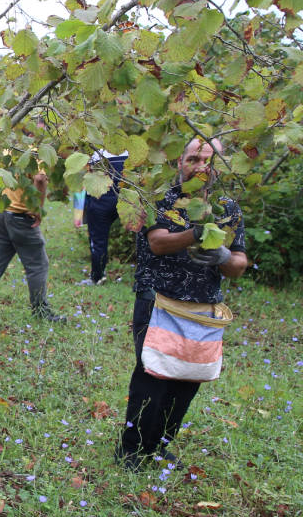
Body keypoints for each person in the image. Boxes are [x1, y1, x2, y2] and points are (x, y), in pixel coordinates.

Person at [115, 137, 247, 469]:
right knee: (153, 376)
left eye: (208, 160)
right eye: (193, 158)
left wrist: (223, 255)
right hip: (157, 301)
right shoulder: (159, 197)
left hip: (202, 309)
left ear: (219, 166)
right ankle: (132, 449)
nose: (201, 166)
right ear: (180, 162)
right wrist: (198, 234)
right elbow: (158, 243)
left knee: (188, 379)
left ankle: (158, 444)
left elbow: (239, 264)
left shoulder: (228, 208)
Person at [0, 160, 64, 321]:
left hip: (3, 214)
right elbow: (40, 179)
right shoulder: (35, 155)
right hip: (21, 217)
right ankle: (41, 311)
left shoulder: (10, 151)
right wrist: (37, 208)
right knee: (38, 265)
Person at [79, 149, 129, 285]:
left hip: (101, 202)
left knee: (98, 241)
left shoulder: (95, 153)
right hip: (127, 200)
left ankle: (97, 277)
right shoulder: (130, 152)